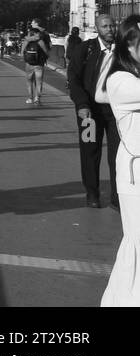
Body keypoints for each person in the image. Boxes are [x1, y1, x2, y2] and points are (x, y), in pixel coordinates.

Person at [96, 14, 140, 305]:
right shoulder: (122, 82)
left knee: (134, 245)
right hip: (135, 173)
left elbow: (99, 95)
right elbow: (102, 93)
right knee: (137, 244)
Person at [68, 13, 121, 209]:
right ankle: (92, 193)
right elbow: (73, 79)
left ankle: (117, 198)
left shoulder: (123, 51)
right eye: (106, 26)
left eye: (112, 26)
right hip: (89, 112)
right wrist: (82, 105)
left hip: (115, 113)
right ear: (97, 28)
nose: (110, 29)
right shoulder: (86, 49)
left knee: (117, 155)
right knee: (90, 152)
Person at [22, 21, 51, 105]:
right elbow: (46, 51)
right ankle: (37, 98)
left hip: (29, 64)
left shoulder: (26, 41)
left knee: (29, 81)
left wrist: (26, 58)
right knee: (39, 81)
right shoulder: (40, 41)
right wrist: (45, 57)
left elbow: (22, 52)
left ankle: (30, 98)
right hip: (39, 63)